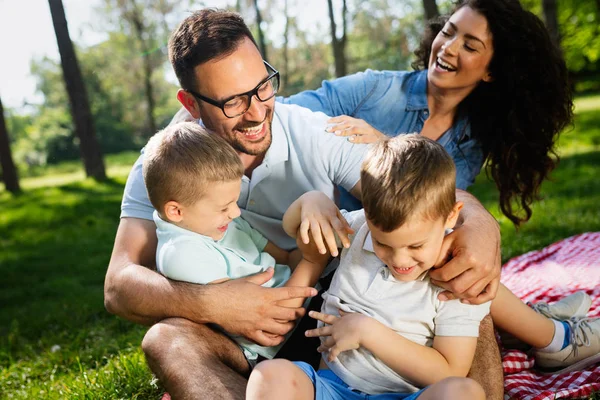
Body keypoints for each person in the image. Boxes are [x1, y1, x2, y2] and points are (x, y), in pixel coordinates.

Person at [103, 9, 503, 400]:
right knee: (165, 340)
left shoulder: (309, 130)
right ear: (191, 104)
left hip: (333, 312)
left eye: (262, 87)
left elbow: (412, 191)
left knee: (461, 283)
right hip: (245, 341)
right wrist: (218, 305)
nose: (258, 112)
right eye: (232, 103)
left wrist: (481, 222)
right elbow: (119, 285)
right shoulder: (165, 162)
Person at [246, 135, 599, 400]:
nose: (400, 260)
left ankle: (547, 331)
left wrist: (368, 332)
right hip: (332, 388)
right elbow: (297, 232)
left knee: (463, 392)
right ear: (368, 217)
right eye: (384, 244)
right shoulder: (356, 232)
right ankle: (544, 326)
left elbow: (448, 369)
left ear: (450, 219)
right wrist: (311, 202)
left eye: (416, 246)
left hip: (407, 395)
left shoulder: (455, 281)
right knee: (269, 377)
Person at [281, 0, 574, 225]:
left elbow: (430, 211)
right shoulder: (376, 90)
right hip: (321, 237)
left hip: (401, 257)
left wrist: (386, 148)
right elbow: (284, 112)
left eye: (470, 46)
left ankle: (534, 309)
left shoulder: (469, 143)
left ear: (491, 72)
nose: (448, 48)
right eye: (448, 32)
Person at [142, 121, 332, 366]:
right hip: (282, 343)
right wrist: (313, 261)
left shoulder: (220, 222)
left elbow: (285, 258)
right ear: (176, 211)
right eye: (224, 207)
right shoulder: (182, 254)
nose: (236, 213)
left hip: (304, 296)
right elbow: (274, 322)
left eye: (235, 201)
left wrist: (317, 246)